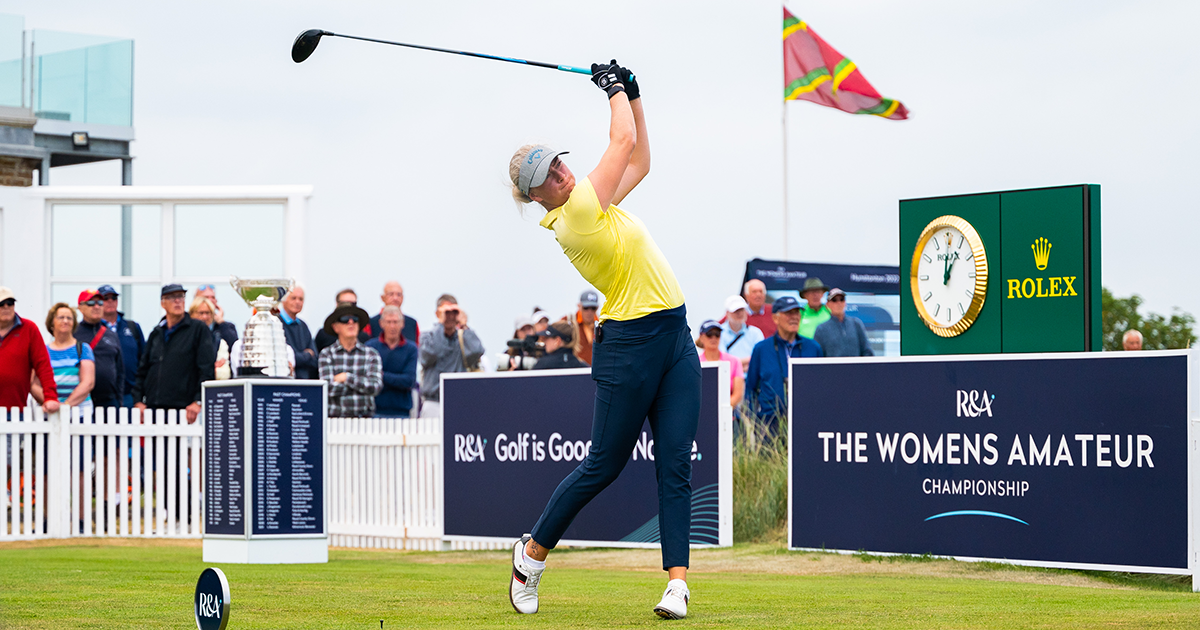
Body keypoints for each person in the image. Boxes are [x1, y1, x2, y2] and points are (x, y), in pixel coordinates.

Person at [505, 62, 699, 620]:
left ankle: (676, 586)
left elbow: (639, 157)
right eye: (548, 174)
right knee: (604, 465)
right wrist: (612, 88)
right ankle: (532, 555)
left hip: (674, 336)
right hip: (630, 346)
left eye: (559, 161)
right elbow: (620, 139)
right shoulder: (579, 214)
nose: (561, 172)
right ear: (534, 194)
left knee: (675, 466)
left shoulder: (593, 199)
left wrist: (633, 93)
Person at [132, 284, 216, 424]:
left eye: (180, 296)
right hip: (154, 409)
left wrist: (198, 401)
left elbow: (206, 368)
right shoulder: (157, 333)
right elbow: (143, 369)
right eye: (172, 297)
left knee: (182, 446)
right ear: (162, 303)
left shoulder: (198, 329)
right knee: (154, 446)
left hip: (185, 410)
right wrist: (138, 401)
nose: (177, 301)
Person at [745, 296, 823, 432]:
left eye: (797, 313)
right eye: (788, 313)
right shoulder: (762, 349)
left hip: (806, 420)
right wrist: (753, 421)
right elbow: (750, 388)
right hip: (769, 422)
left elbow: (822, 385)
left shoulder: (813, 347)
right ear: (775, 318)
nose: (794, 317)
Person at [418, 295, 484, 418]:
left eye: (454, 312)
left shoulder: (463, 338)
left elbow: (477, 352)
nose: (450, 316)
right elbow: (430, 355)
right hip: (433, 401)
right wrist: (440, 325)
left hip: (458, 401)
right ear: (437, 313)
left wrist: (465, 326)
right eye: (446, 312)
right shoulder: (427, 337)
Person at [0, 287, 59, 414]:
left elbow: (43, 365)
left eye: (10, 303)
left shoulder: (29, 329)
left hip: (16, 412)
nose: (6, 307)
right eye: (1, 304)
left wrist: (50, 397)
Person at [319, 303, 383, 417]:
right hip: (335, 420)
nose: (351, 322)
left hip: (364, 419)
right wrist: (361, 388)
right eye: (344, 319)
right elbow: (327, 389)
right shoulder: (326, 354)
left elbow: (375, 387)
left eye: (355, 319)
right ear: (335, 327)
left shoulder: (371, 354)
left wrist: (346, 378)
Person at [32, 303, 95, 418]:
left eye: (69, 318)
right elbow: (33, 383)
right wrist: (50, 402)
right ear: (52, 323)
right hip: (49, 413)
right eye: (61, 317)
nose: (65, 321)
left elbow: (88, 383)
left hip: (78, 414)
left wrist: (65, 406)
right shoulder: (42, 350)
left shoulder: (83, 349)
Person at [73, 289, 124, 409]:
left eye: (100, 303)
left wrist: (119, 400)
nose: (96, 307)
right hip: (81, 401)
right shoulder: (74, 334)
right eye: (91, 303)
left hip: (109, 401)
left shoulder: (111, 334)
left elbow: (120, 370)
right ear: (80, 307)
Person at [98, 285, 145, 407]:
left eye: (113, 297)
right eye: (105, 298)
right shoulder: (93, 330)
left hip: (130, 395)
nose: (110, 301)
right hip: (102, 397)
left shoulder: (132, 327)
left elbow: (143, 361)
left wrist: (140, 395)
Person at [367, 305, 417, 417]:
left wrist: (381, 376)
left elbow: (409, 380)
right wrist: (397, 379)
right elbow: (368, 380)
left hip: (402, 410)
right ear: (381, 323)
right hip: (375, 410)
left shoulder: (411, 348)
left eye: (395, 322)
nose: (392, 326)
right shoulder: (370, 347)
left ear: (402, 323)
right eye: (389, 322)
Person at [696, 320, 744, 408]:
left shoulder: (734, 361)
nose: (714, 338)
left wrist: (722, 408)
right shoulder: (696, 363)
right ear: (702, 338)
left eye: (717, 334)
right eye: (709, 334)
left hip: (730, 413)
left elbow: (737, 394)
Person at [812, 289, 874, 357]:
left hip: (855, 367)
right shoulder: (821, 329)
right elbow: (818, 357)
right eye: (834, 300)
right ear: (828, 304)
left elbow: (867, 351)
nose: (839, 303)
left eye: (841, 299)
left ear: (845, 303)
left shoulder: (856, 324)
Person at [278, 285, 319, 379]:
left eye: (301, 299)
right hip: (284, 382)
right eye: (293, 298)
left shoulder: (303, 326)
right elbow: (284, 359)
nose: (297, 302)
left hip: (304, 383)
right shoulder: (276, 324)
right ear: (283, 300)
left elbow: (315, 361)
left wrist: (299, 357)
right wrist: (307, 355)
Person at [315, 288, 370, 353]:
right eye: (344, 303)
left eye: (353, 304)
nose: (349, 306)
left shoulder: (363, 337)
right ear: (337, 304)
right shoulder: (323, 335)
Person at [719, 295, 764, 371]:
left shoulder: (755, 332)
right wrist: (748, 363)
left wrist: (735, 366)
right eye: (736, 311)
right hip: (729, 379)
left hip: (752, 379)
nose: (739, 313)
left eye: (742, 310)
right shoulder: (719, 333)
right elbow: (723, 362)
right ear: (727, 313)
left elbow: (762, 357)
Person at [188, 296, 229, 376]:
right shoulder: (183, 337)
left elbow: (224, 374)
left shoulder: (219, 342)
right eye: (201, 313)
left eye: (208, 313)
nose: (205, 317)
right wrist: (212, 367)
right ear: (191, 314)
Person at [195, 284, 239, 350]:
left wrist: (221, 322)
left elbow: (234, 347)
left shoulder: (227, 326)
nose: (210, 300)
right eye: (206, 297)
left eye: (213, 297)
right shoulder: (188, 324)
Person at [573, 289, 600, 365]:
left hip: (598, 372)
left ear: (597, 308)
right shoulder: (569, 322)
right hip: (576, 372)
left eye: (593, 308)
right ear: (579, 306)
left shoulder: (603, 325)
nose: (589, 312)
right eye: (586, 308)